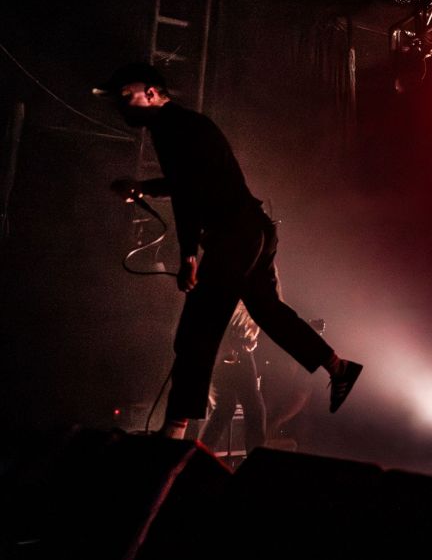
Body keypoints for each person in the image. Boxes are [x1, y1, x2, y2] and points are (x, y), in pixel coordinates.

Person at [94, 63, 362, 439]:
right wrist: (144, 187)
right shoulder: (183, 125)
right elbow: (188, 182)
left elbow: (188, 194)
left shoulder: (171, 127)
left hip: (236, 235)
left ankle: (174, 432)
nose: (120, 105)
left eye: (126, 96)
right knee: (267, 310)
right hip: (253, 229)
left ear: (151, 93)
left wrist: (188, 256)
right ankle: (338, 367)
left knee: (197, 330)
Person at [199, 301, 266, 455]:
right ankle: (199, 456)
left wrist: (249, 339)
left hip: (239, 350)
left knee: (251, 407)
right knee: (226, 407)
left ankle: (255, 458)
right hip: (219, 349)